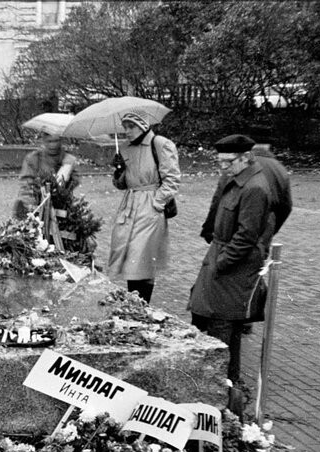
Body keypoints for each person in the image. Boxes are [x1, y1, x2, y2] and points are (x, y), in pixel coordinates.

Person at [189, 135, 277, 412]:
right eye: (220, 162)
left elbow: (247, 236)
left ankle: (226, 398)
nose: (223, 167)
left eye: (228, 162)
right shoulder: (235, 178)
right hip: (221, 259)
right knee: (206, 317)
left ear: (245, 157)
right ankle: (220, 391)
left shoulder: (255, 188)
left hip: (233, 268)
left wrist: (222, 263)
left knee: (223, 326)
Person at [107, 111, 180, 304]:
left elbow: (172, 180)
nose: (127, 131)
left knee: (143, 258)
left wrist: (156, 203)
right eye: (125, 127)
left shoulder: (161, 144)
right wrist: (119, 172)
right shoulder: (125, 148)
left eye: (131, 127)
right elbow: (122, 185)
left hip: (150, 207)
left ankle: (142, 304)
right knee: (130, 255)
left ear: (142, 125)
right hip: (129, 207)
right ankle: (135, 303)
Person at [14, 130, 79, 218]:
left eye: (56, 141)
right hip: (35, 206)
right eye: (50, 141)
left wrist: (67, 170)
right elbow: (26, 183)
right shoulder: (34, 158)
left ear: (61, 141)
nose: (53, 145)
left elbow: (74, 182)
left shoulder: (68, 159)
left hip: (60, 207)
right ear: (44, 141)